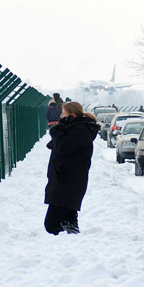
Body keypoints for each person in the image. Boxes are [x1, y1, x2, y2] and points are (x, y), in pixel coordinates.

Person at [44, 101, 100, 235]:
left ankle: (64, 245)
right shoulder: (74, 128)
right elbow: (56, 145)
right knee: (68, 220)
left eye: (63, 114)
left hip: (68, 180)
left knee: (51, 224)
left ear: (72, 115)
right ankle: (70, 242)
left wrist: (57, 131)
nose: (61, 117)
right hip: (65, 179)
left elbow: (63, 146)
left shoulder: (80, 130)